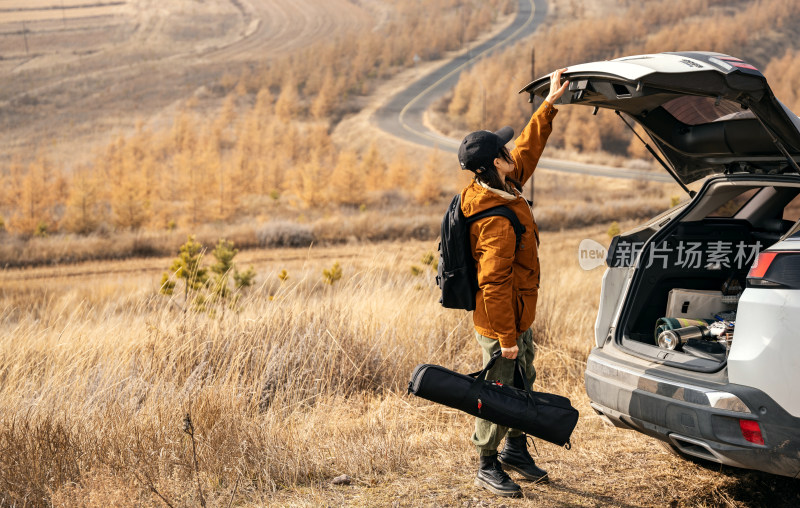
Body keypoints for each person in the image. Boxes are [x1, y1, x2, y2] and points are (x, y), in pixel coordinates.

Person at [456, 68, 569, 497]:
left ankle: (515, 451)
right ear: (493, 164)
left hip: (519, 315)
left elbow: (527, 146)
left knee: (524, 380)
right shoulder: (494, 222)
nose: (510, 150)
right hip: (501, 319)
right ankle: (486, 462)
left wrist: (550, 104)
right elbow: (495, 285)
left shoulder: (502, 181)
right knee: (498, 390)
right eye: (502, 149)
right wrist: (505, 336)